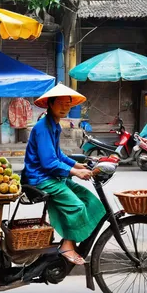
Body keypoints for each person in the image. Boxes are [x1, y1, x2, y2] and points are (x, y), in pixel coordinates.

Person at [22, 85, 106, 265]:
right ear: (50, 104)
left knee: (88, 198)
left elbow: (58, 154)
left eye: (68, 105)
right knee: (76, 206)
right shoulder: (43, 128)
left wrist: (77, 165)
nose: (64, 108)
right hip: (40, 178)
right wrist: (75, 172)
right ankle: (67, 245)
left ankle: (74, 239)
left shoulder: (54, 124)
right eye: (60, 104)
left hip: (51, 176)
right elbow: (49, 162)